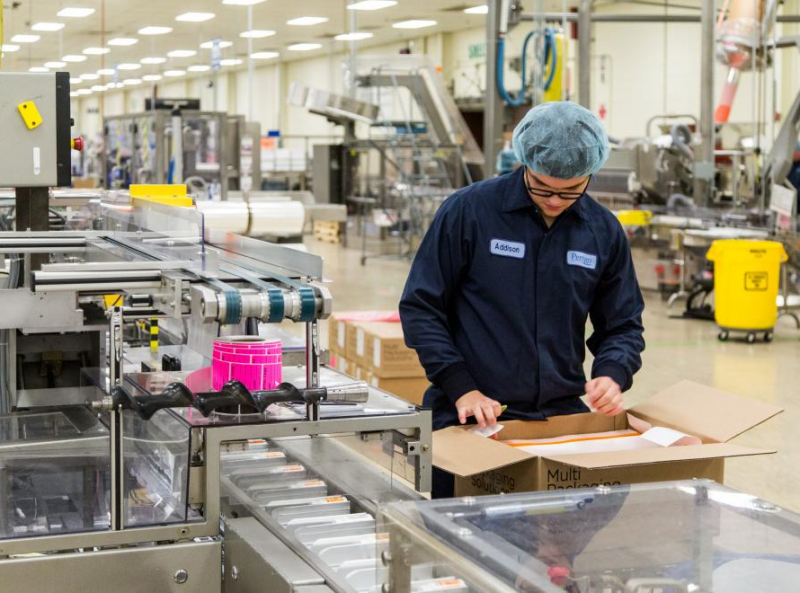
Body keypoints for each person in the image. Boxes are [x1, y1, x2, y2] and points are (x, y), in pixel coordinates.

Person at [399, 102, 645, 497]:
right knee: (459, 542)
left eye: (570, 192)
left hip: (558, 414)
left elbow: (622, 324)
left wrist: (613, 373)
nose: (553, 201)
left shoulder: (602, 231)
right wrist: (461, 387)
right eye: (542, 187)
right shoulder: (470, 211)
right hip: (468, 412)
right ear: (524, 162)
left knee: (568, 534)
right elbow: (421, 307)